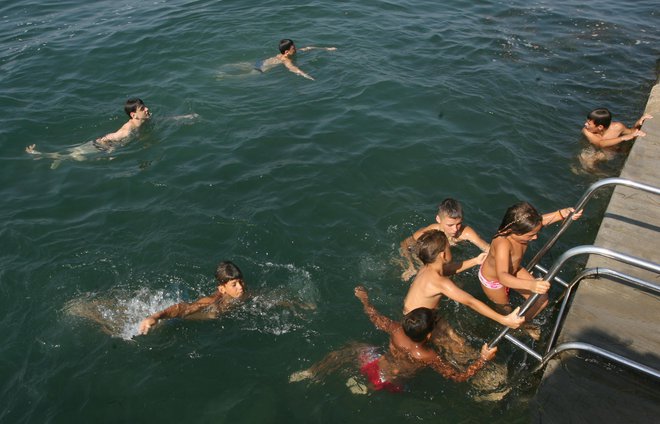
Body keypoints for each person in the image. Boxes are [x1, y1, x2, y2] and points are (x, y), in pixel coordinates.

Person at [289, 286, 498, 393]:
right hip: (391, 383)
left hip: (374, 364)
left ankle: (312, 372)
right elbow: (458, 377)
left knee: (349, 349)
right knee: (393, 379)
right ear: (428, 335)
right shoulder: (428, 355)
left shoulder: (397, 330)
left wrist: (364, 299)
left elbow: (374, 317)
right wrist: (482, 359)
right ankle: (365, 389)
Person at [478, 202, 582, 333]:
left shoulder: (524, 229)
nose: (535, 237)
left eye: (536, 232)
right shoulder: (503, 243)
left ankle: (522, 323)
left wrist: (562, 214)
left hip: (514, 270)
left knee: (542, 299)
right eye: (530, 235)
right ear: (513, 231)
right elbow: (503, 276)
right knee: (507, 311)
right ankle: (512, 328)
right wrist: (531, 285)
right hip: (494, 282)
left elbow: (541, 221)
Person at [25, 98, 152, 167]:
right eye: (142, 108)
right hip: (99, 146)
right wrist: (110, 151)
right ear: (134, 115)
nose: (146, 109)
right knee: (74, 156)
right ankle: (38, 154)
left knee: (70, 155)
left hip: (100, 146)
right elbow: (109, 138)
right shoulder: (127, 129)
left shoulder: (141, 121)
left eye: (144, 106)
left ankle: (50, 156)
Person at [138, 261, 245, 335]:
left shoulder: (242, 292)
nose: (240, 287)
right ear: (222, 289)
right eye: (234, 284)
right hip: (175, 319)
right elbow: (183, 308)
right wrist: (156, 316)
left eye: (241, 281)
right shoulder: (212, 301)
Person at [400, 198, 489, 281]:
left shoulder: (466, 233)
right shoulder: (430, 232)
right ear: (438, 219)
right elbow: (404, 244)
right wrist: (410, 266)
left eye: (459, 224)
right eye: (450, 225)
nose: (455, 229)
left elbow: (487, 248)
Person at [579, 108, 652, 170]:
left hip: (616, 150)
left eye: (589, 123)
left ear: (600, 127)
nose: (585, 124)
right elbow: (600, 143)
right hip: (600, 150)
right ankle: (600, 176)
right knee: (586, 160)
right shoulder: (586, 131)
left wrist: (639, 122)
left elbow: (632, 132)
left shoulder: (617, 127)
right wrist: (622, 138)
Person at [255, 39, 336, 80]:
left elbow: (309, 48)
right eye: (293, 48)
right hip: (260, 70)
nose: (296, 49)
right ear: (287, 52)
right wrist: (308, 76)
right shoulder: (286, 60)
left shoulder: (284, 54)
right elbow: (293, 69)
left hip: (260, 63)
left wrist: (327, 49)